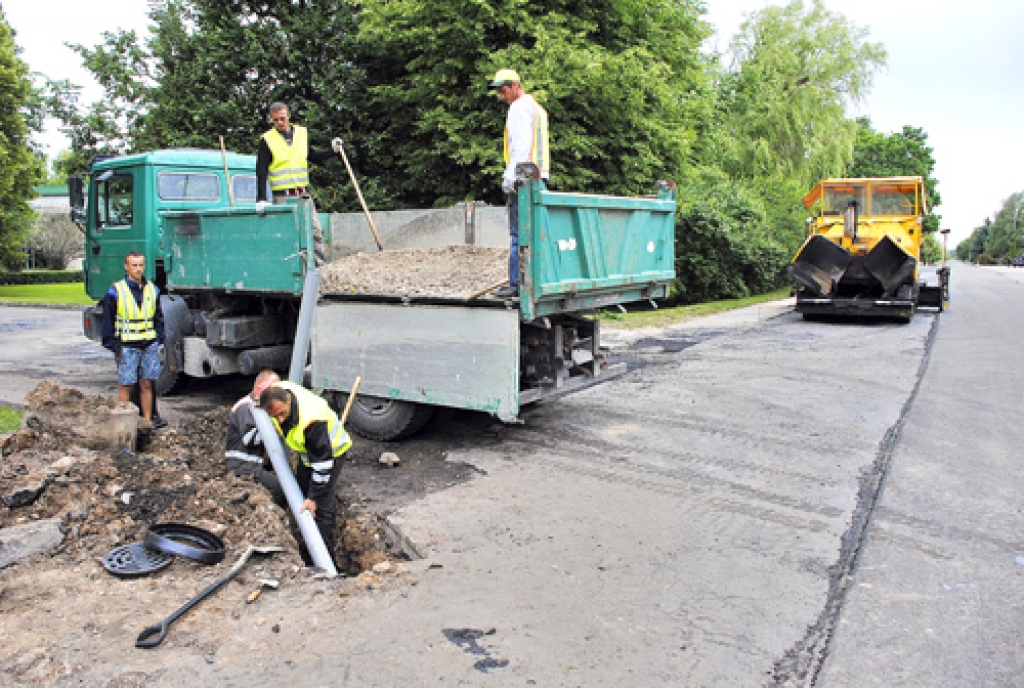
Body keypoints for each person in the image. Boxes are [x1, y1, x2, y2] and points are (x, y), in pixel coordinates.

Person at [260, 380, 353, 564]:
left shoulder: (312, 419)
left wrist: (314, 497)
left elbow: (323, 465)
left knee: (320, 509)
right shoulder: (278, 393)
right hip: (308, 454)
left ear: (288, 400)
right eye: (274, 416)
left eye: (281, 414)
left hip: (331, 453)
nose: (280, 420)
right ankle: (305, 546)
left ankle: (324, 562)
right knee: (302, 495)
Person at [255, 101, 341, 266]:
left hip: (303, 194)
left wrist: (332, 151)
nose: (280, 122)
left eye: (282, 118)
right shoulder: (267, 140)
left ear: (288, 116)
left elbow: (313, 156)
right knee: (288, 234)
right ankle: (291, 270)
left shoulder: (301, 134)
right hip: (282, 196)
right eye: (276, 120)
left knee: (315, 231)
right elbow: (261, 170)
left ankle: (320, 267)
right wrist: (261, 198)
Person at [488, 68, 549, 297]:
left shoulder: (519, 107)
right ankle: (533, 283)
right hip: (538, 177)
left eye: (503, 90)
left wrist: (511, 176)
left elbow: (521, 145)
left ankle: (516, 285)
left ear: (515, 85)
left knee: (519, 235)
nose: (501, 96)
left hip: (524, 179)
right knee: (534, 235)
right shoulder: (536, 108)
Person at [101, 251, 166, 429]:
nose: (138, 269)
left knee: (147, 383)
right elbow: (108, 321)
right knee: (127, 384)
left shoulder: (152, 289)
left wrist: (159, 338)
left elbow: (158, 317)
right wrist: (113, 345)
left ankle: (146, 421)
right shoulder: (115, 291)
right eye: (134, 265)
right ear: (126, 267)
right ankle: (123, 423)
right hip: (127, 344)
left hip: (148, 343)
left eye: (141, 265)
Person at [225, 370, 287, 508]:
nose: (273, 394)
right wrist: (273, 431)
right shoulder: (246, 406)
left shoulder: (258, 408)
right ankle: (263, 514)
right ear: (260, 385)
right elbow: (249, 439)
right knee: (279, 490)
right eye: (272, 388)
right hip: (242, 466)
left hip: (249, 465)